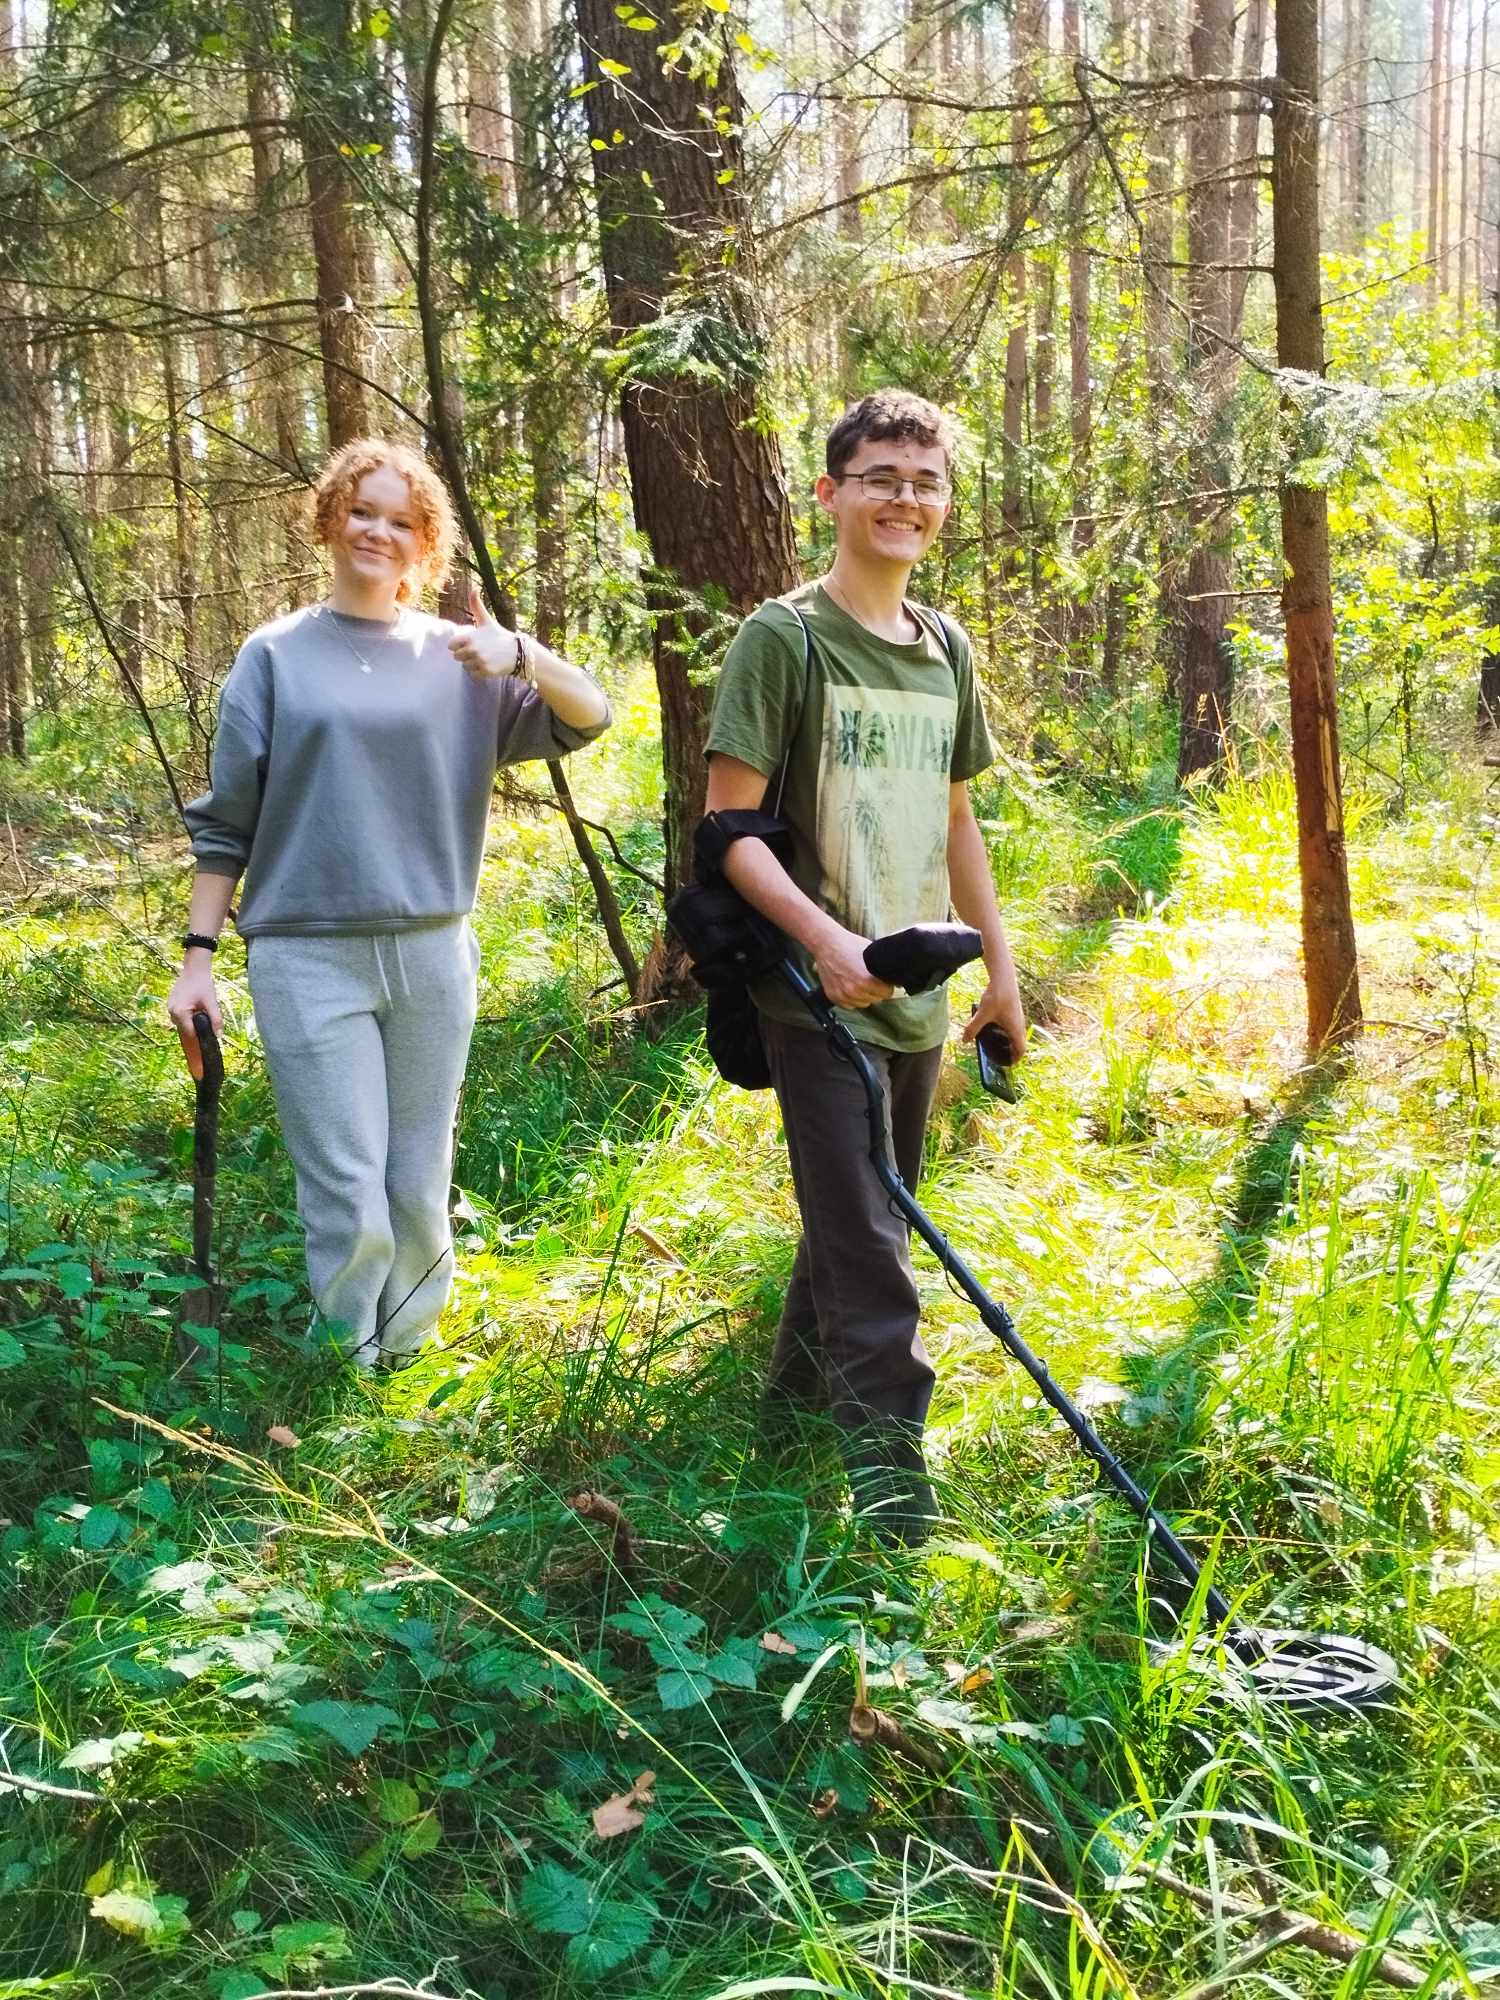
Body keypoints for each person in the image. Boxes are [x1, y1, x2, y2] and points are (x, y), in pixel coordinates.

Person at [168, 437, 610, 1367]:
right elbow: (226, 824)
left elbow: (589, 716)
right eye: (362, 511)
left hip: (430, 952)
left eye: (400, 520)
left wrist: (520, 649)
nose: (377, 530)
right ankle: (343, 1369)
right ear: (331, 518)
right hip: (305, 956)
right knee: (345, 1185)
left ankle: (403, 1366)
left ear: (425, 543)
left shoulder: (461, 661)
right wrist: (196, 957)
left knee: (417, 1182)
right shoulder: (275, 656)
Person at [704, 389, 1028, 1542]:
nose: (907, 498)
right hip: (813, 994)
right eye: (883, 475)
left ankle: (782, 1425)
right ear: (832, 492)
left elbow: (956, 822)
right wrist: (828, 946)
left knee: (862, 1215)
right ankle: (897, 1514)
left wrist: (1000, 969)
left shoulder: (946, 648)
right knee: (873, 1250)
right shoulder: (781, 637)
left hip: (919, 989)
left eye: (926, 480)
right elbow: (728, 830)